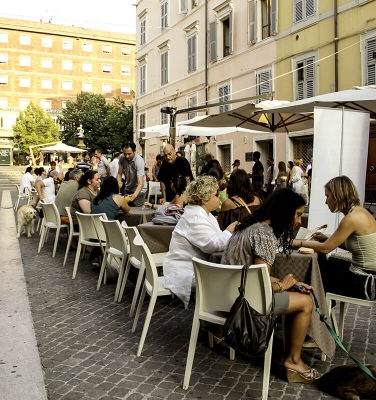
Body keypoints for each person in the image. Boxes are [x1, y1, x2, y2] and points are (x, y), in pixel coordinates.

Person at [222, 189, 320, 383]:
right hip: (245, 303)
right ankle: (293, 361)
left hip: (228, 295)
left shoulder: (246, 227)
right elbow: (261, 283)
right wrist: (282, 285)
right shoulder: (264, 233)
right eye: (297, 214)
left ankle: (289, 356)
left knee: (296, 295)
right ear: (284, 211)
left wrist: (291, 284)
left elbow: (255, 273)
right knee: (306, 302)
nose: (299, 221)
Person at [293, 176, 376, 300]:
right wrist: (327, 238)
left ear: (338, 195)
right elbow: (357, 245)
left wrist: (297, 243)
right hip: (369, 276)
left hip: (366, 283)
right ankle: (323, 304)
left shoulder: (351, 218)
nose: (326, 202)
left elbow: (325, 249)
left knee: (318, 271)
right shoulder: (361, 212)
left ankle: (315, 305)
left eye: (327, 196)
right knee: (330, 263)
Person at [163, 175, 237, 307]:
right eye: (216, 194)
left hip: (192, 266)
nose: (219, 197)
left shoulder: (203, 213)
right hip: (186, 271)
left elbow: (215, 239)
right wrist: (229, 230)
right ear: (205, 197)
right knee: (232, 278)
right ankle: (220, 311)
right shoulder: (196, 217)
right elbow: (212, 245)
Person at [117, 142, 145, 207]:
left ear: (134, 151)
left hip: (139, 190)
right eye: (125, 154)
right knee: (124, 209)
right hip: (128, 189)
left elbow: (140, 183)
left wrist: (134, 195)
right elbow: (119, 174)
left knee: (136, 211)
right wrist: (118, 187)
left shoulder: (139, 161)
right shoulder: (122, 157)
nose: (127, 156)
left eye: (129, 154)